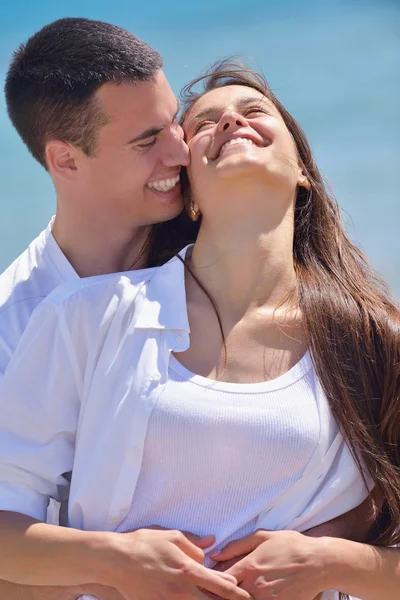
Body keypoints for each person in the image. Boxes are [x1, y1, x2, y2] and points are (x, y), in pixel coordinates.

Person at [0, 59, 398, 600]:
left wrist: (335, 562)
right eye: (206, 124)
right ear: (187, 190)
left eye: (254, 111)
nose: (232, 122)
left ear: (302, 166)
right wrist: (115, 562)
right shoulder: (84, 315)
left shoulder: (373, 339)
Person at [0, 15, 193, 600]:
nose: (182, 153)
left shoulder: (222, 242)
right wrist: (117, 562)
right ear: (65, 161)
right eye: (146, 141)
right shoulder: (13, 323)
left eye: (175, 124)